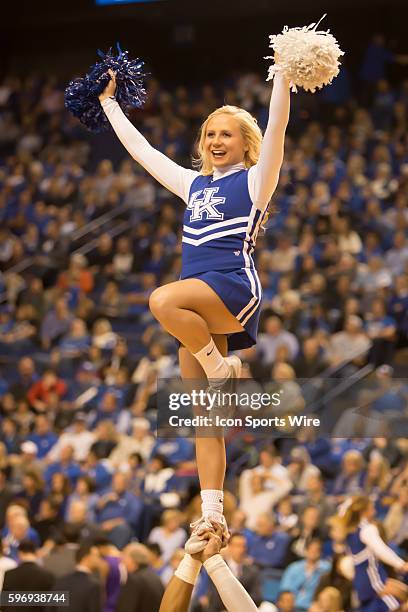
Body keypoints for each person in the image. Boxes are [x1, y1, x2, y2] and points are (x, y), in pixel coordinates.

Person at [99, 61, 290, 550]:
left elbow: (277, 131)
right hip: (197, 308)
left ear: (245, 143)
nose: (215, 141)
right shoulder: (192, 184)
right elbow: (144, 152)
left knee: (159, 298)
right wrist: (108, 104)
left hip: (231, 289)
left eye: (226, 134)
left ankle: (220, 366)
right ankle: (212, 515)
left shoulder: (253, 182)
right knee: (204, 419)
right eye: (209, 133)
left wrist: (283, 78)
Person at [159, 526, 259, 612]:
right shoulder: (220, 565)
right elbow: (211, 596)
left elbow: (257, 597)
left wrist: (194, 555)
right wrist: (209, 558)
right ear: (230, 547)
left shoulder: (253, 571)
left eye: (243, 546)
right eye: (237, 546)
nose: (241, 549)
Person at [340, 495, 408, 611]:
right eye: (372, 508)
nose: (375, 511)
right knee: (396, 607)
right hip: (373, 580)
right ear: (364, 511)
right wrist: (401, 565)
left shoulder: (351, 532)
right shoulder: (367, 529)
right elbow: (381, 550)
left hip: (361, 583)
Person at [2, 540, 55, 612]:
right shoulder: (48, 575)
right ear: (35, 553)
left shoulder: (9, 574)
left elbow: (4, 604)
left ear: (20, 553)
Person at [53, 543, 103, 612]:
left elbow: (51, 608)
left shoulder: (61, 581)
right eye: (97, 556)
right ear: (86, 558)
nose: (99, 560)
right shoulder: (93, 586)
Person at [116, 543, 164, 612]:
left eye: (124, 555)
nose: (121, 559)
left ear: (132, 559)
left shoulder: (134, 580)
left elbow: (126, 608)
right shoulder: (155, 577)